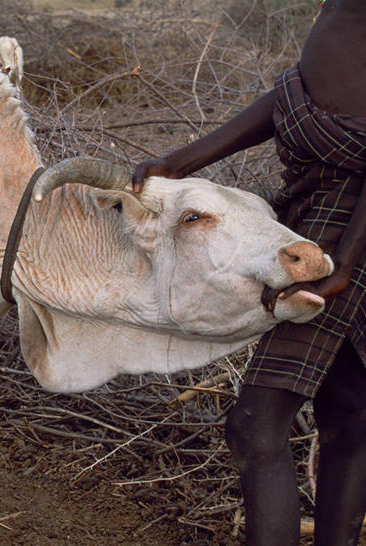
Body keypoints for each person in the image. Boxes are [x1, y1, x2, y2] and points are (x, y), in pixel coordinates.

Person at [132, 1, 365, 544]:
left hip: (345, 227)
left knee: (256, 425)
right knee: (348, 409)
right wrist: (179, 162)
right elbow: (293, 97)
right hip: (314, 215)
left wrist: (347, 263)